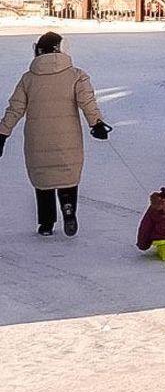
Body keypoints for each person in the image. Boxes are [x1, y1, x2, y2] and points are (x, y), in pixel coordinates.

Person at [0, 30, 110, 237]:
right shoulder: (77, 75)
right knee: (67, 175)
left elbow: (15, 108)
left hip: (37, 139)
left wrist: (2, 133)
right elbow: (87, 103)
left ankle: (46, 223)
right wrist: (96, 124)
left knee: (43, 178)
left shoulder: (28, 79)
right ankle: (68, 209)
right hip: (67, 138)